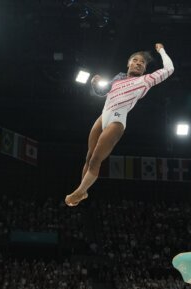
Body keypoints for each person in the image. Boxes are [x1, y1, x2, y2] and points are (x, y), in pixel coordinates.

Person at [65, 43, 174, 206]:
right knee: (88, 156)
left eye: (142, 63)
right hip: (103, 117)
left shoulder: (146, 80)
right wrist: (95, 84)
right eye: (135, 60)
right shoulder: (117, 78)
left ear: (144, 69)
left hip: (117, 120)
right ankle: (83, 191)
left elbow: (169, 69)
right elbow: (102, 92)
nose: (139, 63)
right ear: (128, 63)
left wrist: (162, 51)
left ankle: (80, 191)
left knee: (96, 159)